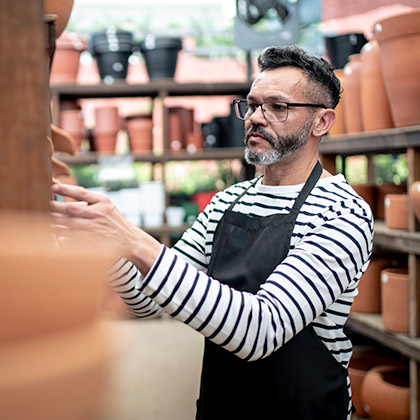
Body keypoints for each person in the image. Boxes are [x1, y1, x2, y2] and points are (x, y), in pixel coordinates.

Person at [51, 45, 373, 420]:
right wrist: (111, 246)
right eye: (251, 105)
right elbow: (146, 302)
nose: (255, 118)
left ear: (321, 122)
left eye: (277, 107)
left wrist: (135, 239)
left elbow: (260, 331)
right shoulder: (228, 202)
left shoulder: (341, 212)